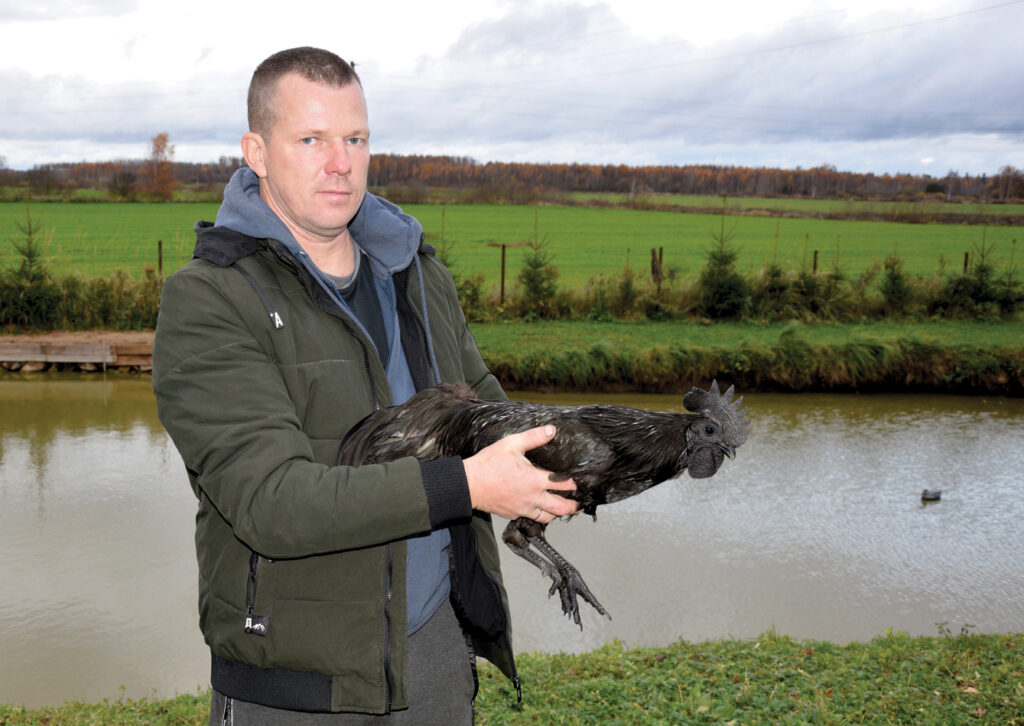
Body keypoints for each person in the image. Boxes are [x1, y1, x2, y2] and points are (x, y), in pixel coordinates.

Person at [152, 46, 579, 725]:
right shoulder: (209, 300)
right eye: (311, 139)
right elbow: (271, 500)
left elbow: (486, 410)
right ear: (256, 152)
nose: (340, 162)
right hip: (296, 681)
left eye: (355, 139)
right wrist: (467, 486)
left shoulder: (417, 273)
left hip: (434, 647)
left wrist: (592, 455)